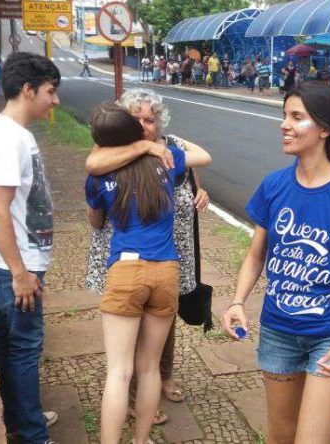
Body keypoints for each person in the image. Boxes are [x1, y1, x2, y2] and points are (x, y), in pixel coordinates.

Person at [222, 83, 330, 444]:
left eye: (297, 117)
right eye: (285, 116)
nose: (284, 125)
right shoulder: (273, 186)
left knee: (310, 439)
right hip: (278, 330)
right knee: (281, 434)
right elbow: (256, 255)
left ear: (325, 128)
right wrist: (237, 301)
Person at [85, 103, 212, 444]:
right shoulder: (165, 161)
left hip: (125, 271)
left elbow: (96, 222)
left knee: (119, 371)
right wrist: (156, 144)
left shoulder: (99, 174)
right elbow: (204, 156)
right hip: (165, 271)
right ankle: (141, 440)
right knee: (149, 368)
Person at [0, 52, 62, 444]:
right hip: (14, 264)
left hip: (13, 259)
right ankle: (31, 433)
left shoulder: (13, 134)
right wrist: (20, 272)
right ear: (27, 90)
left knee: (11, 343)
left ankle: (17, 417)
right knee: (24, 347)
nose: (54, 100)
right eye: (49, 91)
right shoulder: (8, 140)